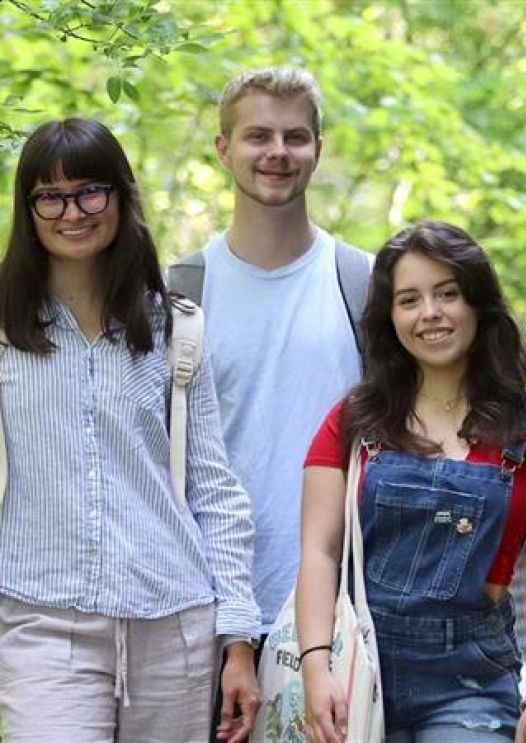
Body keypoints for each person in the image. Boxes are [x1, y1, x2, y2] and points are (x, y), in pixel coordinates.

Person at [0, 117, 261, 743]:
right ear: (28, 208)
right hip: (42, 619)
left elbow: (215, 492)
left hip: (174, 623)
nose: (72, 212)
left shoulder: (177, 327)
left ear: (120, 196)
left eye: (90, 191)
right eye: (50, 197)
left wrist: (239, 639)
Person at [296, 220, 526, 743]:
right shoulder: (353, 422)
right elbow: (317, 552)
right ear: (390, 318)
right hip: (357, 665)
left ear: (477, 303)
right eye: (409, 299)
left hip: (469, 682)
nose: (430, 313)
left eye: (447, 293)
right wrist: (315, 666)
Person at [166, 67, 371, 742]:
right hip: (203, 604)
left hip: (337, 610)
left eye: (294, 136)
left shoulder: (362, 282)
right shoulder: (178, 290)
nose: (276, 152)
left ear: (317, 147)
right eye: (257, 136)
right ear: (223, 148)